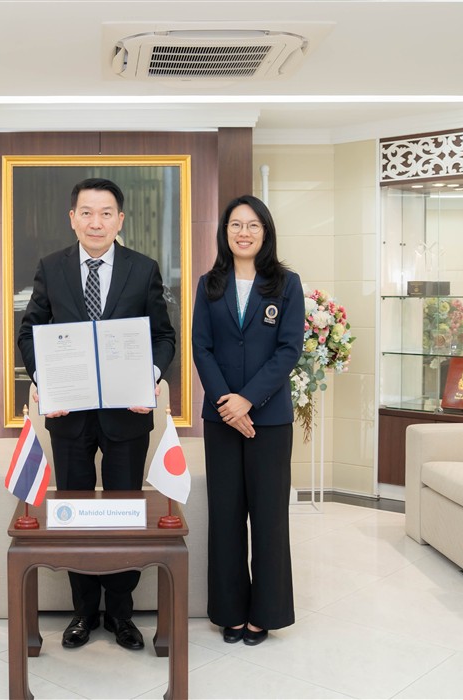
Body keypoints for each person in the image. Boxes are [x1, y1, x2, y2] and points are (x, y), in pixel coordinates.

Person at [17, 178, 175, 651]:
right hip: (70, 414)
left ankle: (121, 614)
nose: (96, 222)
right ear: (72, 218)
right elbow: (30, 332)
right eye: (86, 212)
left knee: (126, 511)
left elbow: (163, 336)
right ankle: (84, 612)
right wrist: (46, 381)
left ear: (120, 220)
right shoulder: (52, 268)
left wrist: (148, 376)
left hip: (127, 412)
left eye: (106, 213)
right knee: (74, 512)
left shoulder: (143, 269)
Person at [192, 195, 304, 647]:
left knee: (269, 516)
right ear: (225, 232)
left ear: (266, 232)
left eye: (253, 225)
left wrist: (248, 401)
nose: (244, 232)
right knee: (225, 515)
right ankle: (230, 611)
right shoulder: (209, 284)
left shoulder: (287, 283)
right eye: (236, 225)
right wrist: (227, 403)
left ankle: (265, 614)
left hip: (269, 420)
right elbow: (201, 347)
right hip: (221, 419)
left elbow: (289, 349)